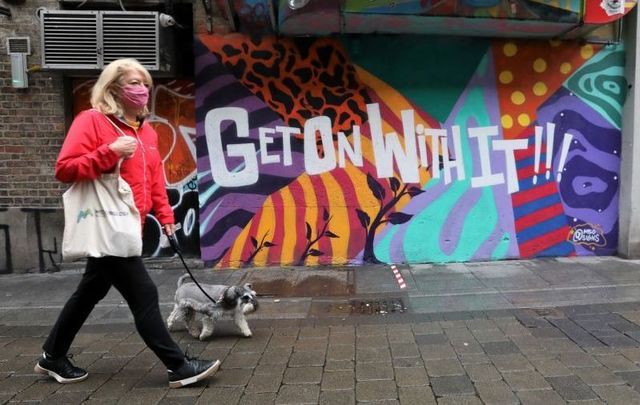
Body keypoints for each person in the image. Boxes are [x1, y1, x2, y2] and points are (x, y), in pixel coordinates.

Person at [34, 58, 220, 389]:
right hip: (108, 226)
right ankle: (178, 366)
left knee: (89, 292)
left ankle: (52, 356)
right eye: (134, 83)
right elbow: (65, 168)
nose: (142, 90)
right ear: (113, 88)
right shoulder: (91, 121)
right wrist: (110, 151)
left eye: (146, 83)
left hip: (128, 225)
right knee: (144, 293)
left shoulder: (146, 130)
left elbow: (155, 180)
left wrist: (166, 217)